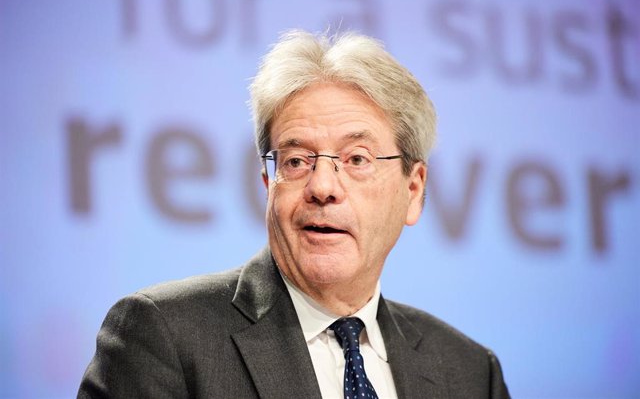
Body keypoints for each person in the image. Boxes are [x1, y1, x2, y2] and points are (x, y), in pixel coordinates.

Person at [79, 30, 510, 398]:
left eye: (357, 159)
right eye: (296, 161)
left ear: (413, 190)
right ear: (269, 184)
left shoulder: (470, 373)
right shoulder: (162, 336)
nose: (322, 187)